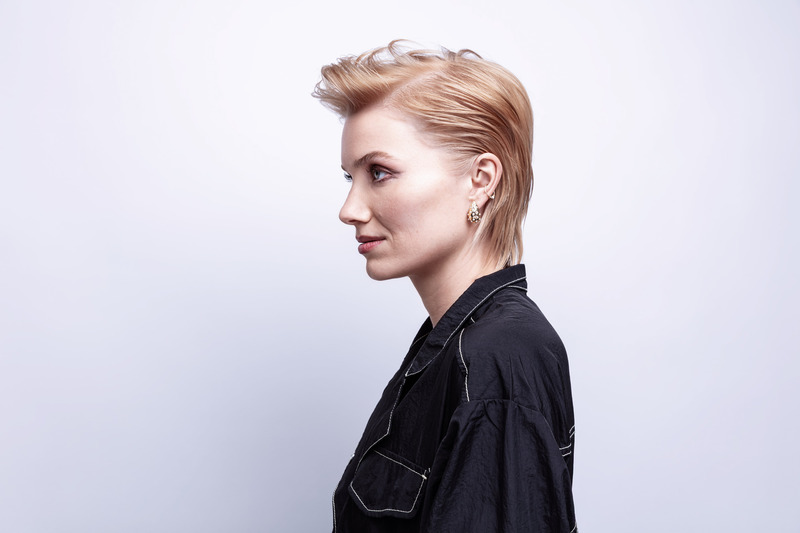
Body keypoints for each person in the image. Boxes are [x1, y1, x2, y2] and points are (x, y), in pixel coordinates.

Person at [313, 40, 577, 533]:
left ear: (480, 179)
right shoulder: (453, 346)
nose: (349, 210)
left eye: (379, 173)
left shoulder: (497, 357)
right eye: (350, 177)